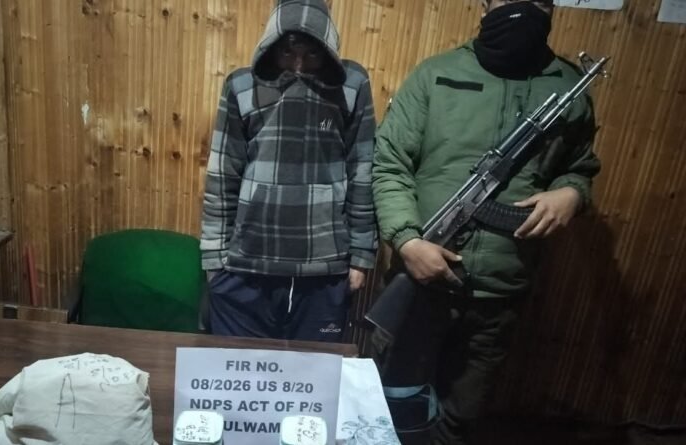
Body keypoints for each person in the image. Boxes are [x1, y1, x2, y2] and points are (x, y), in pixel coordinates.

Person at [372, 0, 601, 443]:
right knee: (393, 407)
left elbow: (579, 166)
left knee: (462, 418)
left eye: (538, 0)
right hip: (421, 282)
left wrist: (572, 193)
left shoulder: (567, 86)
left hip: (500, 294)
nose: (523, 6)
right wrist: (407, 241)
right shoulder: (436, 74)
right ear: (484, 4)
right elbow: (389, 164)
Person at [200, 0, 378, 342]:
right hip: (245, 266)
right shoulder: (241, 84)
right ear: (271, 47)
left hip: (325, 271)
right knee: (240, 369)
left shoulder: (352, 83)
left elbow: (363, 170)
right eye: (287, 54)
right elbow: (223, 174)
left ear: (327, 50)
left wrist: (361, 255)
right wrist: (214, 258)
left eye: (311, 55)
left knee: (316, 370)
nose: (298, 66)